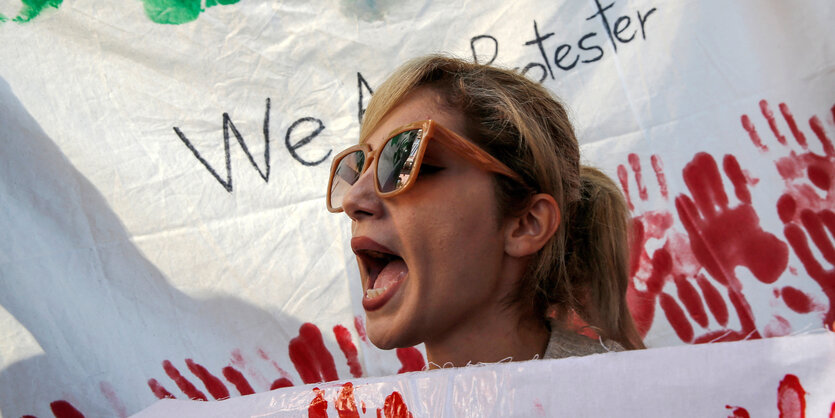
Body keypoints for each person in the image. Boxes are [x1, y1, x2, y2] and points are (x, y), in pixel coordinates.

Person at [326, 54, 645, 368]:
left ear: (526, 223)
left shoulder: (642, 399)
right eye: (355, 170)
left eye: (405, 163)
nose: (354, 199)